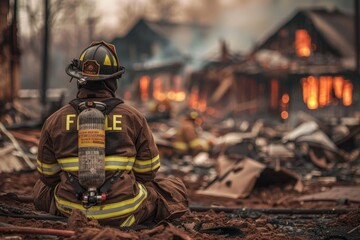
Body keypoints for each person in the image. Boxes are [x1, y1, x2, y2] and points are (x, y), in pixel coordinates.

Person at [33, 41, 188, 227]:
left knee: (40, 188)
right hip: (124, 213)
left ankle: (75, 210)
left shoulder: (55, 120)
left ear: (79, 78)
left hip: (71, 212)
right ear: (112, 80)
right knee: (173, 187)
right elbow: (147, 172)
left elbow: (47, 175)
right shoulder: (133, 117)